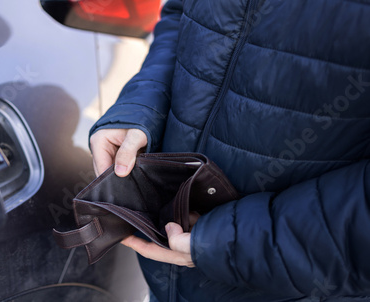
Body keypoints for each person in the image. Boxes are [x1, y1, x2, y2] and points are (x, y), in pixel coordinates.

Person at [88, 0, 370, 301]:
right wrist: (141, 107)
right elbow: (181, 16)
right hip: (168, 278)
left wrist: (233, 242)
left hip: (289, 287)